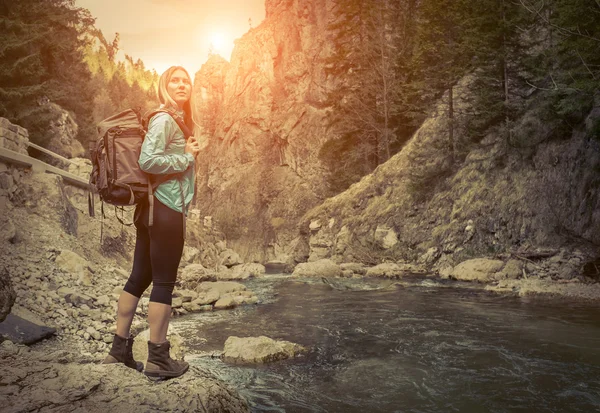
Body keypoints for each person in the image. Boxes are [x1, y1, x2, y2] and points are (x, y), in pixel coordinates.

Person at [102, 66, 201, 379]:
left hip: (152, 210)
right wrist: (186, 157)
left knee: (139, 278)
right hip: (166, 209)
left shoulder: (171, 119)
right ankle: (158, 357)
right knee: (163, 283)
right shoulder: (164, 119)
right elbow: (147, 160)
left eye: (186, 80)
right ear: (164, 85)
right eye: (175, 79)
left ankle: (118, 351)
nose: (182, 84)